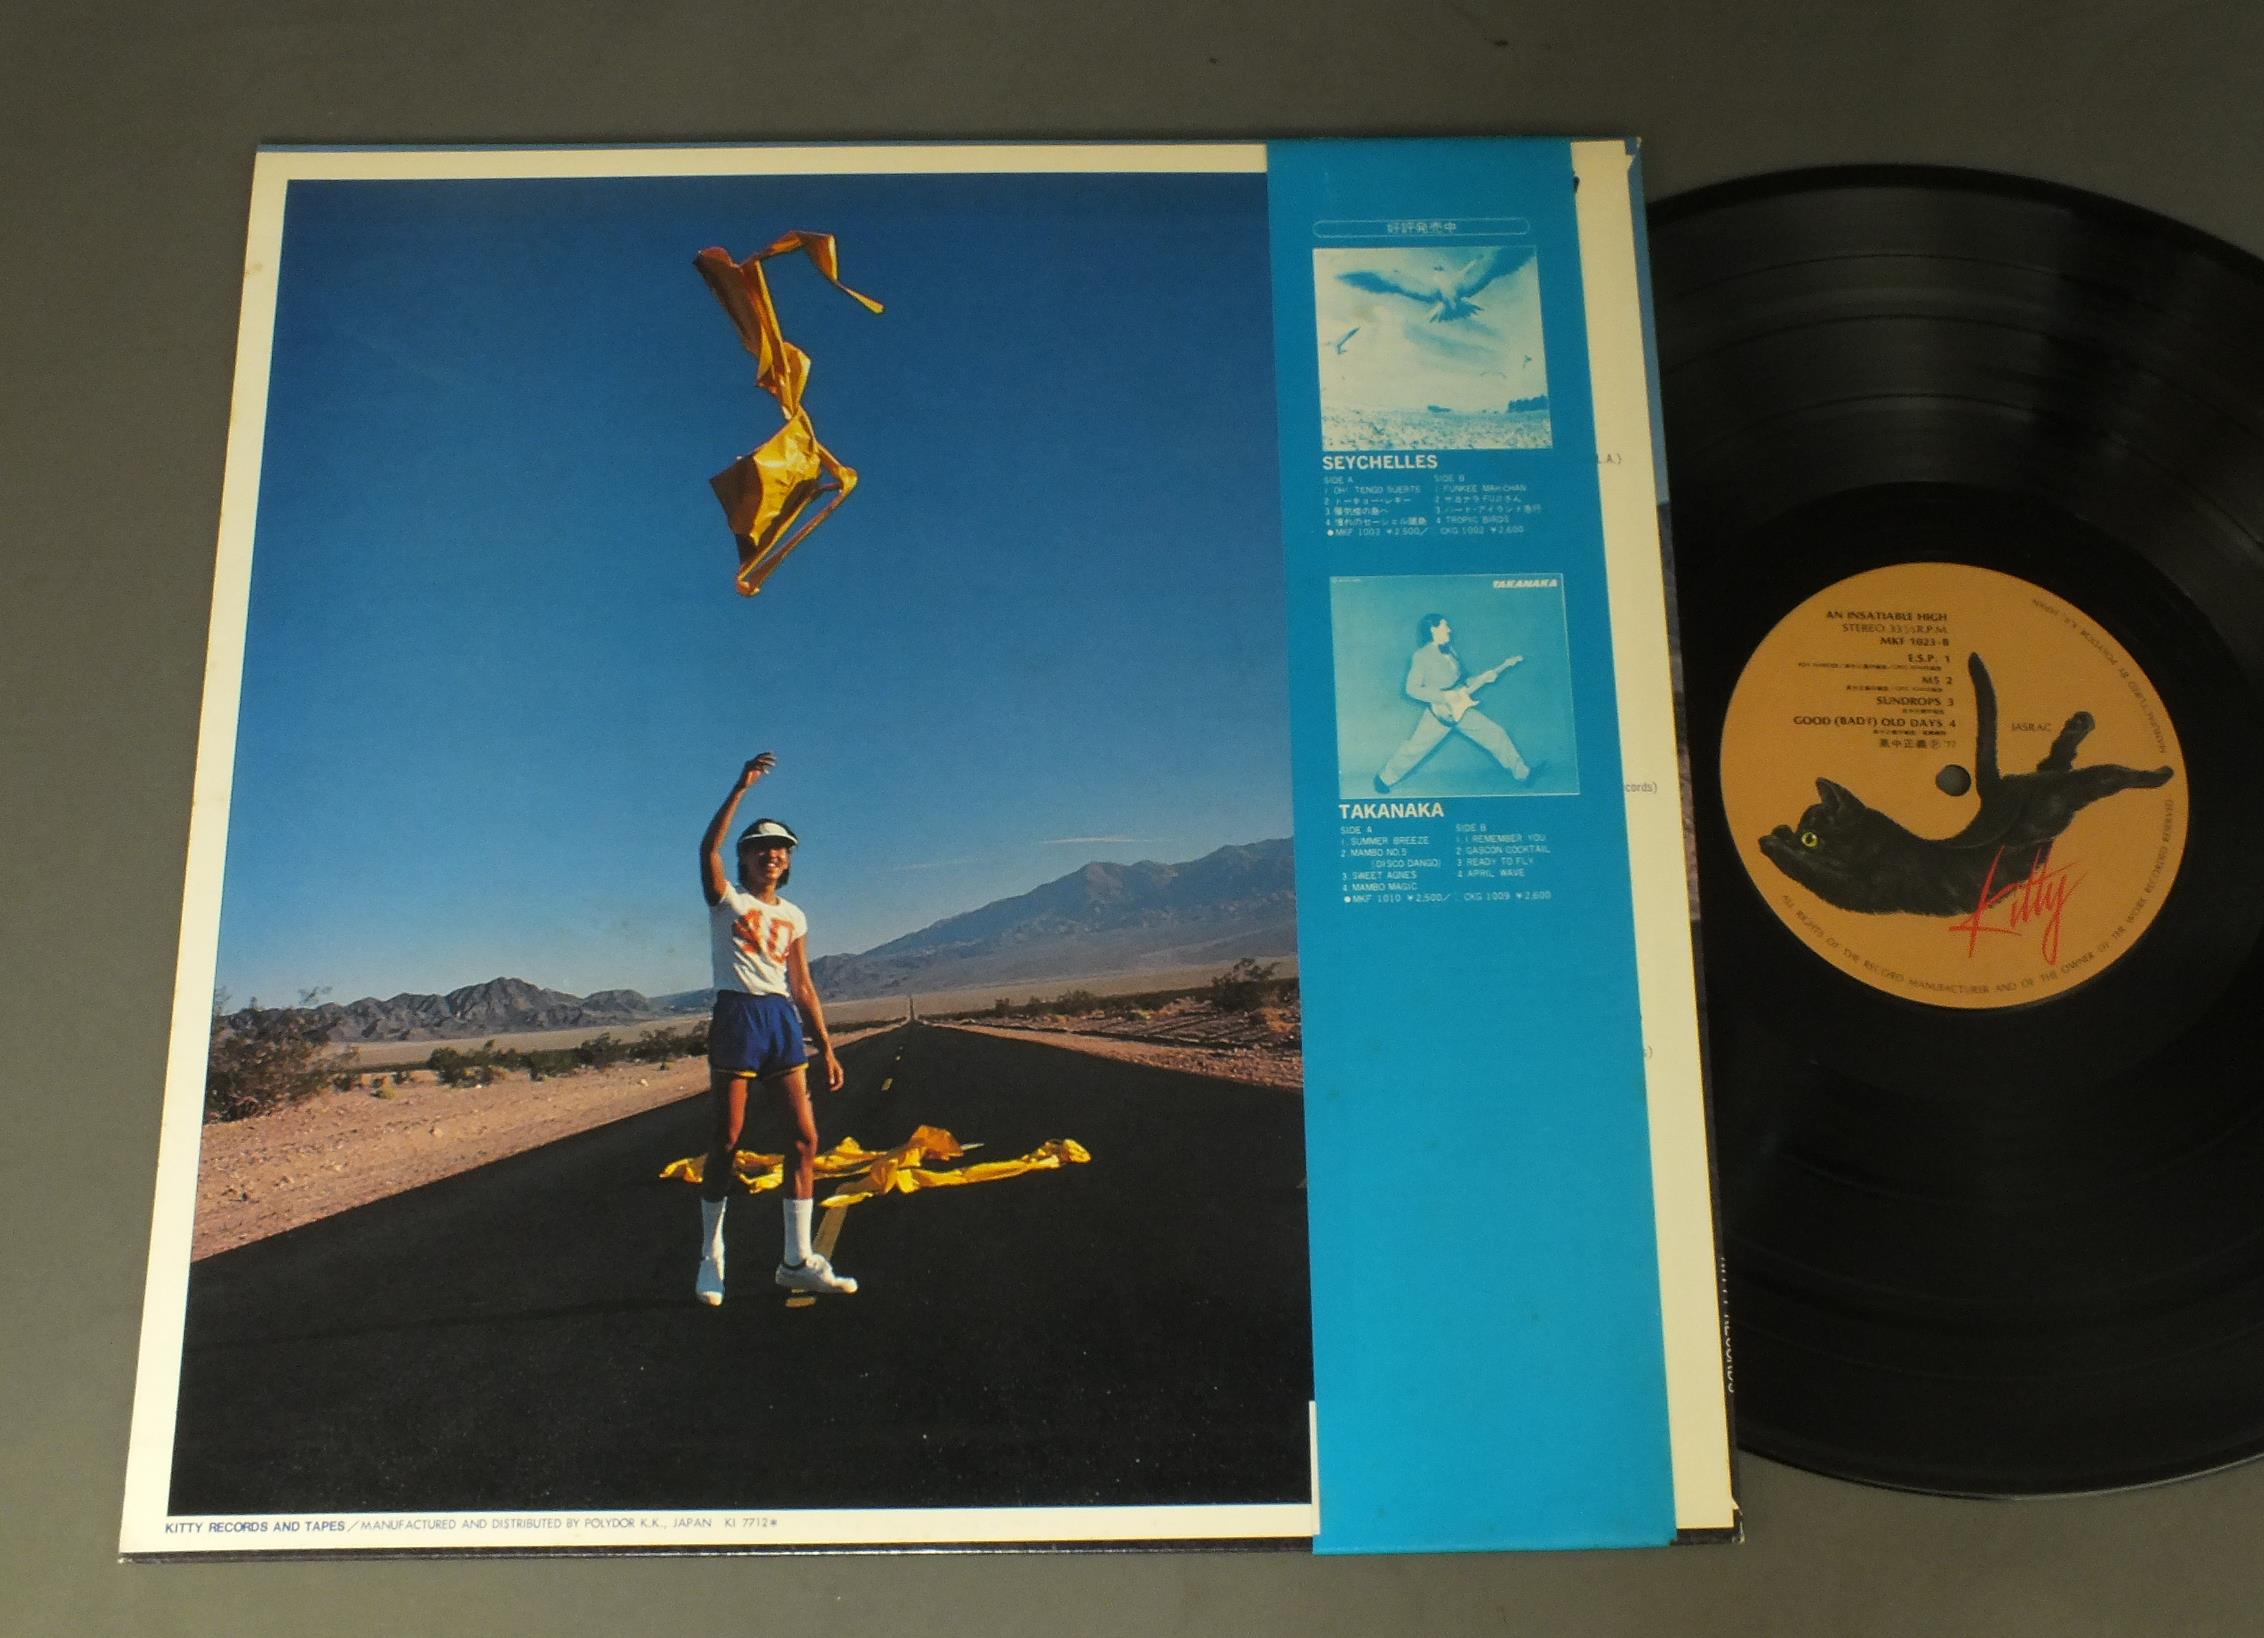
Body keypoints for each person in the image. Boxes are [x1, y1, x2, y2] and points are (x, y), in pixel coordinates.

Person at [694, 752, 856, 1305]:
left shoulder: (795, 916)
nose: (773, 854)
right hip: (738, 1017)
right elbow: (707, 851)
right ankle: (711, 1257)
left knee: (805, 1139)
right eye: (761, 847)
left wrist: (826, 1047)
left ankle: (796, 1260)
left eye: (781, 848)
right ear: (745, 857)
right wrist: (740, 788)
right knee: (728, 1140)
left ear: (788, 862)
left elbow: (803, 984)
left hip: (781, 1020)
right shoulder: (727, 901)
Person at [1374, 613, 1532, 790]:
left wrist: (1483, 678)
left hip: (1460, 708)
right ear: (1434, 629)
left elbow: (1463, 681)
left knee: (1496, 734)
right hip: (1440, 712)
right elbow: (1411, 689)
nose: (1449, 629)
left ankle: (1524, 773)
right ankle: (1384, 779)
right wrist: (1444, 697)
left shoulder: (1451, 651)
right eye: (1445, 626)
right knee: (1415, 748)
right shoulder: (1421, 656)